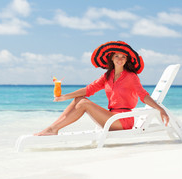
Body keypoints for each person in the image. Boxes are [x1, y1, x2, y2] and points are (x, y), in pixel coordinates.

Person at [35, 41, 169, 136]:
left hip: (123, 120)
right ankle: (52, 128)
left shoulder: (131, 76)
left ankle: (53, 129)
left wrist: (160, 109)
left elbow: (143, 95)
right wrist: (64, 96)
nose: (120, 59)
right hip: (111, 117)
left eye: (123, 57)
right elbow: (89, 89)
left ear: (126, 60)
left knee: (84, 103)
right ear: (112, 58)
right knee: (80, 99)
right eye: (117, 56)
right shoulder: (107, 76)